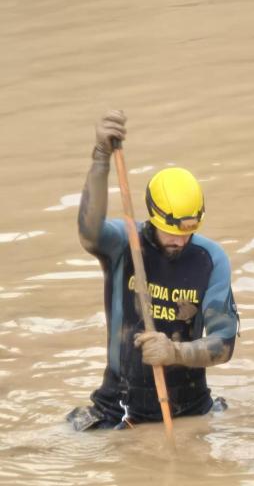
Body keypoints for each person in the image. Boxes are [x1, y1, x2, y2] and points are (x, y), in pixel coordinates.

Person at [66, 110, 239, 430]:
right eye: (171, 231)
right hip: (118, 406)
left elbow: (224, 344)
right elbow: (88, 232)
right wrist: (101, 157)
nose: (179, 240)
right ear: (153, 218)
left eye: (188, 232)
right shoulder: (124, 244)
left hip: (188, 408)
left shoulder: (210, 259)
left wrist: (175, 352)